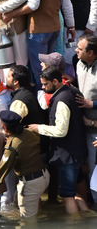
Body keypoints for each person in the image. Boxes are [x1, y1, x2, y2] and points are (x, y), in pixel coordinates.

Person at [2, 0, 75, 88]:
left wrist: (12, 13)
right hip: (55, 28)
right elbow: (67, 4)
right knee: (52, 69)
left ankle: (42, 101)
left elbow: (33, 4)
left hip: (38, 30)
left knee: (39, 71)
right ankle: (52, 98)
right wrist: (71, 25)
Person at [29, 67, 88, 214]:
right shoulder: (73, 91)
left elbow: (61, 131)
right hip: (77, 150)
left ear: (55, 81)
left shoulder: (61, 100)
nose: (42, 87)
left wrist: (39, 128)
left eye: (45, 84)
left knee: (67, 195)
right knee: (74, 190)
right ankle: (87, 215)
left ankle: (74, 223)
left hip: (67, 155)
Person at [0, 110, 50, 219]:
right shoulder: (31, 132)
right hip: (44, 176)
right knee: (28, 207)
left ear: (4, 127)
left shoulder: (12, 146)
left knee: (28, 222)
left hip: (31, 183)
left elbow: (0, 172)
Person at [75, 34, 97, 204]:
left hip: (94, 130)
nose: (76, 51)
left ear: (91, 53)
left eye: (80, 49)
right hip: (83, 129)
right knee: (87, 169)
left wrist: (93, 104)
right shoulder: (79, 65)